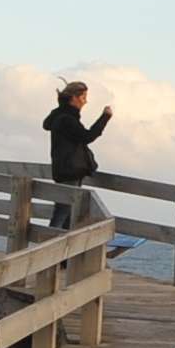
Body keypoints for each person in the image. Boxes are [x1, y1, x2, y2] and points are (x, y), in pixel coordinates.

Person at [41, 79, 113, 236]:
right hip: (69, 170)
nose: (85, 101)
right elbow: (87, 136)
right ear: (73, 98)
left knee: (66, 212)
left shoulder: (60, 116)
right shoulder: (67, 119)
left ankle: (60, 249)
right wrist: (105, 117)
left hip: (64, 170)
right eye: (83, 97)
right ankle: (48, 246)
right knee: (62, 211)